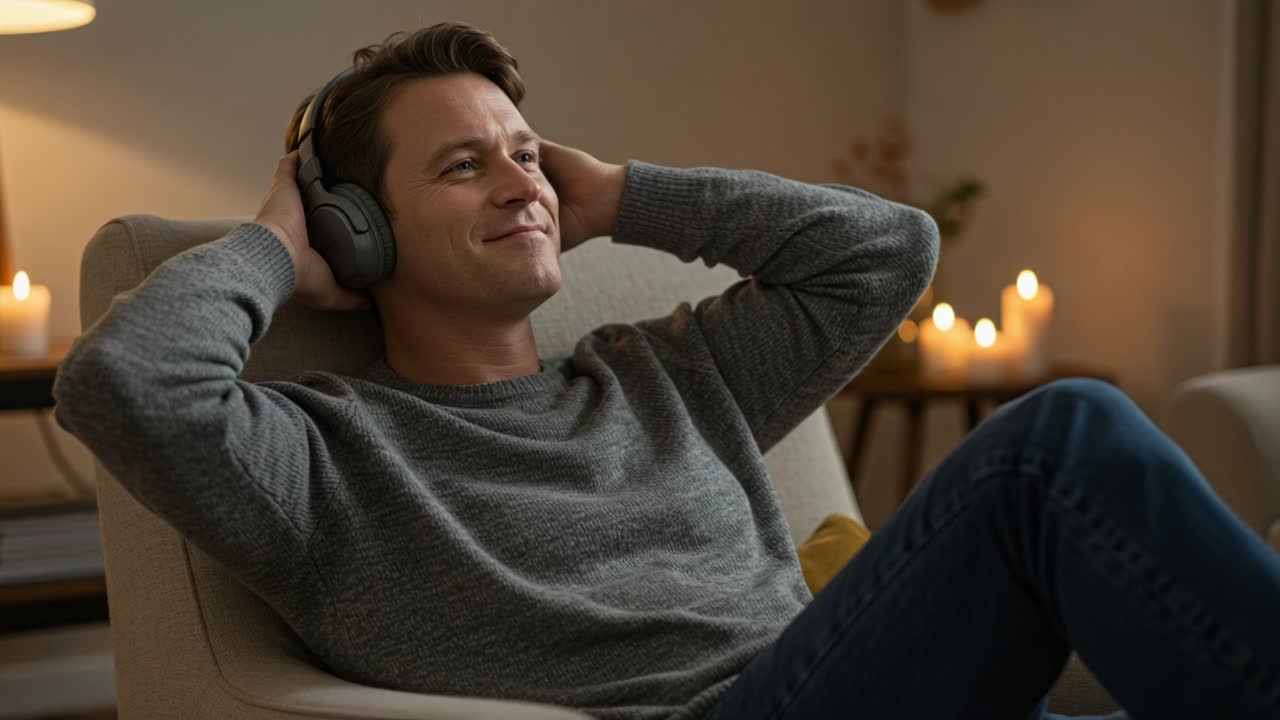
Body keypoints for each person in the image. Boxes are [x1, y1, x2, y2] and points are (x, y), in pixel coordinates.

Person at [52, 21, 1279, 720]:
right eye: (463, 166)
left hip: (847, 688)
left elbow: (887, 252)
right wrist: (276, 241)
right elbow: (125, 383)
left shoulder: (663, 374)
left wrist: (625, 195)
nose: (522, 183)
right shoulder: (324, 455)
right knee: (1054, 444)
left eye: (526, 154)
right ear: (358, 230)